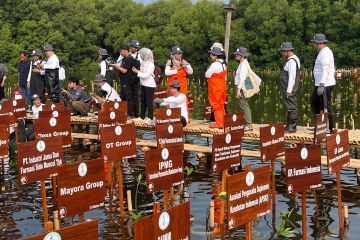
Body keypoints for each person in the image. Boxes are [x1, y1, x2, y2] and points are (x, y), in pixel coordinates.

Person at [311, 33, 336, 134]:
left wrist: (321, 85)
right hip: (319, 83)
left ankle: (329, 129)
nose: (313, 45)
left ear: (319, 43)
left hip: (325, 84)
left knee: (325, 107)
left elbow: (325, 71)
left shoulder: (325, 53)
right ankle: (319, 125)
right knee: (315, 103)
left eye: (314, 43)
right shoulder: (322, 52)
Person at [279, 42, 301, 133]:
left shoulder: (292, 61)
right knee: (290, 105)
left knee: (292, 106)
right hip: (289, 88)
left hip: (289, 89)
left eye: (283, 51)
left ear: (288, 51)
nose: (282, 53)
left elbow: (292, 76)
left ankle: (292, 126)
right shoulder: (293, 59)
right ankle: (289, 125)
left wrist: (289, 90)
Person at [111, 44, 138, 118]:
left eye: (121, 51)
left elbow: (124, 71)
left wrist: (116, 66)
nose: (120, 53)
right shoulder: (125, 58)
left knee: (129, 98)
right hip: (124, 82)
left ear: (126, 50)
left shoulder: (129, 58)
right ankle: (121, 113)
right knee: (122, 97)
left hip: (128, 82)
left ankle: (129, 114)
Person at [205, 47, 227, 129]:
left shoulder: (215, 64)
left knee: (216, 105)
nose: (210, 56)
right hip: (222, 86)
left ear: (215, 56)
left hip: (216, 87)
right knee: (221, 104)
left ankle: (219, 123)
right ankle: (224, 121)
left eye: (211, 55)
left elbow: (207, 74)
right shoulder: (224, 63)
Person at [132, 48, 156, 121]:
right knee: (143, 101)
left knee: (149, 102)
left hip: (149, 85)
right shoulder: (143, 62)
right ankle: (142, 117)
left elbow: (147, 75)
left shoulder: (151, 64)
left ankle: (150, 117)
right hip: (143, 84)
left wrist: (137, 72)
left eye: (141, 54)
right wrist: (137, 71)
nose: (140, 56)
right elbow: (143, 72)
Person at [234, 47, 253, 130]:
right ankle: (248, 123)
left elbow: (242, 78)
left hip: (242, 87)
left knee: (244, 105)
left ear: (241, 55)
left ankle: (249, 124)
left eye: (237, 54)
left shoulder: (243, 64)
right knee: (244, 105)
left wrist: (238, 90)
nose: (236, 55)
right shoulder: (244, 63)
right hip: (244, 86)